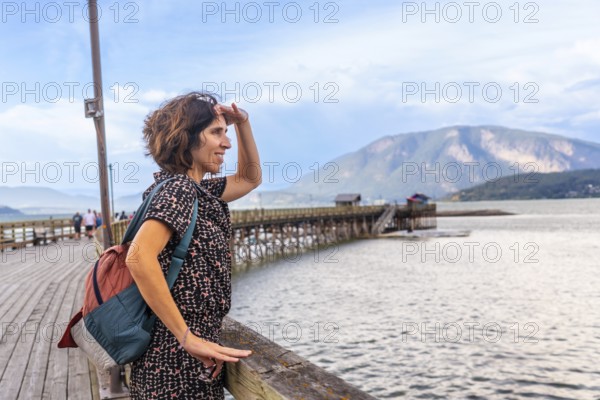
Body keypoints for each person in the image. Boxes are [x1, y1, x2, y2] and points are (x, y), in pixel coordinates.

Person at [126, 92, 261, 399]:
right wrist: (186, 337)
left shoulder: (198, 190)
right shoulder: (179, 189)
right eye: (216, 133)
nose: (226, 144)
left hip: (188, 363)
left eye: (226, 134)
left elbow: (249, 178)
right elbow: (138, 257)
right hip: (173, 366)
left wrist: (243, 124)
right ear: (185, 138)